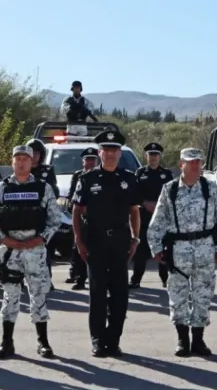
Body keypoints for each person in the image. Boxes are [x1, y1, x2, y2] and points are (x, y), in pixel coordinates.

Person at [147, 148, 217, 357]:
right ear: (181, 163)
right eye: (190, 162)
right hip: (179, 250)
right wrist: (156, 248)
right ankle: (182, 339)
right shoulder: (170, 189)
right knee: (178, 295)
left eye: (198, 162)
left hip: (205, 247)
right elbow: (157, 222)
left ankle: (199, 340)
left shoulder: (210, 188)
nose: (195, 166)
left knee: (203, 295)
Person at [72, 130, 141, 357]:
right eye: (106, 150)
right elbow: (77, 211)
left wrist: (135, 237)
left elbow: (134, 211)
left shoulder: (129, 179)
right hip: (96, 241)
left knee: (120, 294)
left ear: (119, 153)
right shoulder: (87, 179)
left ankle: (113, 339)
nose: (110, 154)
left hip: (120, 241)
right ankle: (98, 340)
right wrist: (79, 241)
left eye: (114, 150)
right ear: (100, 153)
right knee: (98, 293)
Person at [0, 145, 61, 359]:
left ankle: (43, 342)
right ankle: (7, 342)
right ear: (12, 162)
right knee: (10, 296)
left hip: (35, 249)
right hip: (10, 250)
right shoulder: (2, 188)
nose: (21, 162)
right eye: (17, 158)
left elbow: (55, 218)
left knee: (38, 295)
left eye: (25, 158)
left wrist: (41, 238)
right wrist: (5, 239)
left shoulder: (43, 188)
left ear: (32, 161)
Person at [130, 143, 173, 289]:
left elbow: (171, 195)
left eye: (155, 155)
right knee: (140, 251)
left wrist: (158, 205)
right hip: (144, 216)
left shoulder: (166, 174)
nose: (153, 158)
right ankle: (136, 280)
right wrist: (144, 203)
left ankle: (166, 279)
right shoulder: (140, 173)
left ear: (160, 157)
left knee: (163, 248)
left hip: (161, 217)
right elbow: (134, 193)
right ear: (146, 156)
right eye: (150, 155)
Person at [25, 138, 59, 291]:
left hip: (42, 215)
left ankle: (47, 279)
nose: (33, 156)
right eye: (31, 152)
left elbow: (54, 190)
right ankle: (19, 280)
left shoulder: (47, 170)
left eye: (37, 152)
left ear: (41, 154)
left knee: (44, 249)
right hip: (23, 215)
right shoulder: (21, 168)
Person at [65, 147, 99, 290]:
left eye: (93, 160)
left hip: (98, 218)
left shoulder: (101, 175)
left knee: (97, 251)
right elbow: (72, 197)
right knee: (78, 248)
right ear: (83, 162)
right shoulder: (78, 176)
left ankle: (96, 279)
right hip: (81, 218)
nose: (90, 163)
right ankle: (79, 278)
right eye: (87, 160)